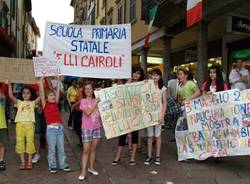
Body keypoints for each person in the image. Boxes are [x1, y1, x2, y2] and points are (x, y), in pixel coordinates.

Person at [112, 66, 144, 166]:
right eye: (134, 73)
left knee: (135, 135)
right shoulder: (127, 83)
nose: (136, 75)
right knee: (123, 135)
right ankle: (118, 156)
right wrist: (129, 79)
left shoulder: (142, 85)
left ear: (141, 75)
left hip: (136, 113)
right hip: (126, 114)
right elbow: (123, 91)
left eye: (138, 73)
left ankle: (133, 157)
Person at [39, 77, 71, 174]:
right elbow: (41, 94)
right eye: (50, 96)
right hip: (51, 130)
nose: (53, 97)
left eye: (53, 95)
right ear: (46, 98)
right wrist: (41, 82)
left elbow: (57, 93)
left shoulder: (56, 103)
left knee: (61, 148)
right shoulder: (45, 105)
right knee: (52, 149)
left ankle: (63, 164)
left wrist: (58, 82)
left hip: (60, 129)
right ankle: (52, 165)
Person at [8, 83, 40, 170]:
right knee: (20, 142)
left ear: (31, 94)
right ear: (21, 94)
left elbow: (41, 96)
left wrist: (41, 84)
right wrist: (9, 85)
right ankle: (23, 162)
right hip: (20, 125)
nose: (25, 95)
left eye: (28, 93)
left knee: (30, 143)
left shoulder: (33, 103)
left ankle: (29, 161)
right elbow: (11, 96)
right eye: (24, 93)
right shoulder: (19, 102)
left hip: (30, 125)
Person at [144, 69, 167, 165]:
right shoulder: (146, 86)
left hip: (158, 114)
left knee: (157, 136)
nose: (155, 77)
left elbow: (165, 102)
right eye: (153, 75)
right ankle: (149, 156)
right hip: (149, 114)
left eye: (157, 75)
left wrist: (162, 114)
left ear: (160, 77)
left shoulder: (163, 88)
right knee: (149, 136)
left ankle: (157, 156)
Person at [78, 81, 101, 181]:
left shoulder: (98, 99)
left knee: (93, 149)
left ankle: (91, 168)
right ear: (84, 90)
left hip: (97, 127)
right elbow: (87, 112)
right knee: (86, 150)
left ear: (93, 90)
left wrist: (102, 93)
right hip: (86, 128)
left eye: (90, 88)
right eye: (86, 89)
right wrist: (96, 101)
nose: (88, 90)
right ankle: (83, 171)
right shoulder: (83, 101)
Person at [0, 84, 8, 170]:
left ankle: (1, 160)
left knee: (1, 144)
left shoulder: (2, 100)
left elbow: (2, 93)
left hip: (1, 126)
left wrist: (5, 84)